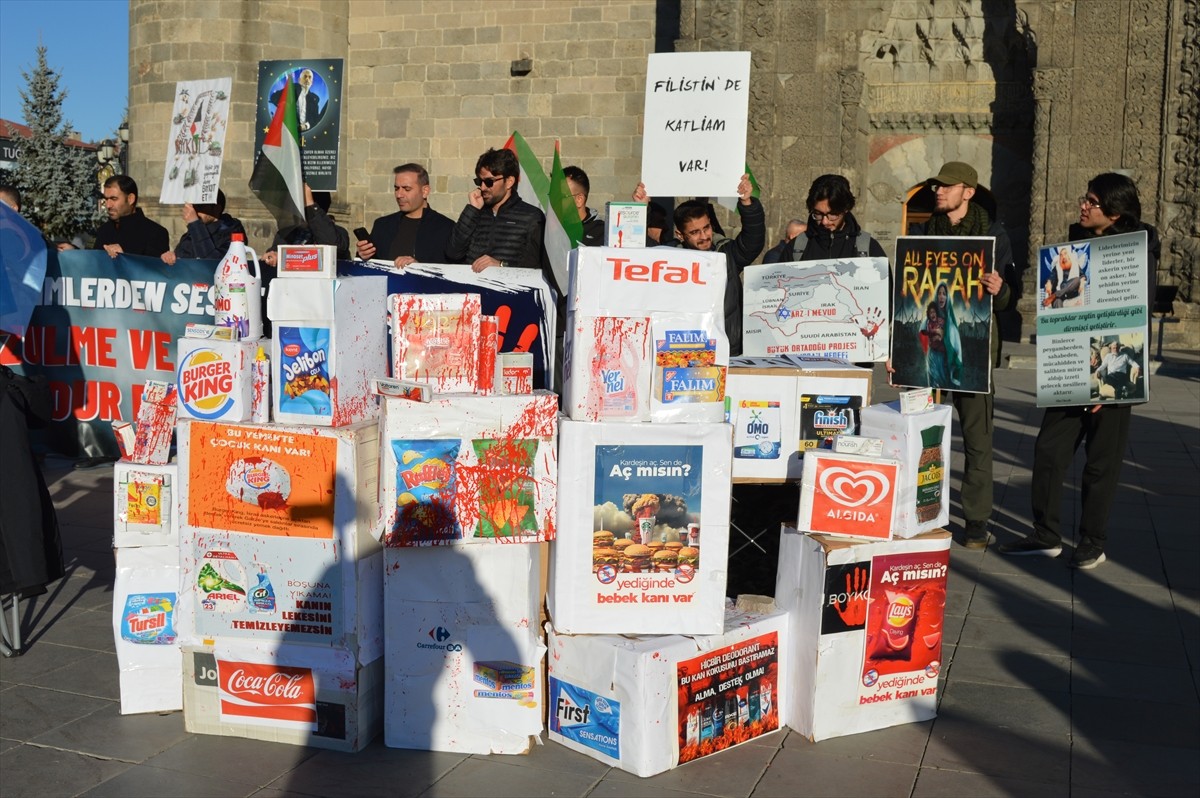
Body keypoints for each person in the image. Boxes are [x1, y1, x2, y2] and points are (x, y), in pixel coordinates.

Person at [1001, 173, 1160, 569]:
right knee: (1049, 450)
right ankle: (1045, 534)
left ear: (1115, 211)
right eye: (1085, 199)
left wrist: (1102, 381)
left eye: (1092, 201)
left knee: (1100, 462)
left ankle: (1092, 540)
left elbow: (1130, 317)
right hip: (1072, 367)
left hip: (1113, 371)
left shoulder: (1137, 252)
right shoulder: (1074, 247)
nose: (1083, 206)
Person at [906, 161, 1015, 550]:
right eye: (937, 184)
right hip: (928, 357)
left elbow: (1006, 300)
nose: (939, 190)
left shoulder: (993, 236)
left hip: (974, 353)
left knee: (977, 440)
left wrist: (999, 289)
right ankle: (918, 511)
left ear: (968, 191)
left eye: (948, 186)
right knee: (920, 437)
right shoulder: (920, 233)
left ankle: (975, 522)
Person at [634, 174, 765, 355]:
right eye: (695, 232)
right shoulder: (670, 256)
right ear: (680, 234)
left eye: (706, 228)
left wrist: (747, 203)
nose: (704, 236)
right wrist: (640, 210)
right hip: (682, 349)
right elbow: (637, 250)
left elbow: (753, 240)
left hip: (727, 349)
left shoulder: (727, 253)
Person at [447, 148, 546, 273]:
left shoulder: (531, 217)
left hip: (510, 290)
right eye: (479, 181)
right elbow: (452, 253)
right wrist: (472, 210)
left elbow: (536, 268)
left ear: (509, 182)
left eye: (489, 182)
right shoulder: (475, 212)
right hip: (472, 289)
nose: (483, 187)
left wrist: (502, 266)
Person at [356, 164, 454, 267]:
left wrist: (419, 268)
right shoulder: (382, 225)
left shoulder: (446, 228)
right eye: (396, 188)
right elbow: (373, 268)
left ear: (425, 191)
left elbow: (453, 272)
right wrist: (363, 255)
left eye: (407, 189)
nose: (399, 195)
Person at [778, 174, 888, 262]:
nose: (825, 222)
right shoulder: (796, 248)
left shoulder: (868, 248)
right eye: (818, 213)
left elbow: (885, 288)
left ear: (845, 209)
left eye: (832, 214)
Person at [262, 183, 351, 266]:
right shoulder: (285, 233)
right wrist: (271, 256)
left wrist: (310, 205)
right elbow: (275, 252)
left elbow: (332, 245)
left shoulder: (338, 232)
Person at [92, 175, 170, 258]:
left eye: (114, 199)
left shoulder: (155, 233)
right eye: (106, 199)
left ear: (130, 199)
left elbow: (154, 269)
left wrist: (125, 257)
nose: (108, 205)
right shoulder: (104, 231)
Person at [161, 190, 246, 264]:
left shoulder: (232, 231)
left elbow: (214, 263)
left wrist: (195, 224)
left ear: (216, 209)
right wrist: (172, 257)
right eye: (194, 206)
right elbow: (183, 259)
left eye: (201, 206)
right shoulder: (191, 234)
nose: (195, 211)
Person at [919, 283, 963, 388]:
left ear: (947, 297)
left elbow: (955, 343)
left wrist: (944, 336)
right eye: (939, 293)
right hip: (933, 357)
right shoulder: (929, 319)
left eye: (944, 293)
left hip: (945, 359)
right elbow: (922, 333)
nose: (941, 296)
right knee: (933, 392)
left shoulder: (950, 321)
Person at [563, 165, 605, 246]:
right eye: (552, 196)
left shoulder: (602, 233)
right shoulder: (544, 229)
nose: (554, 202)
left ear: (579, 200)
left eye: (560, 196)